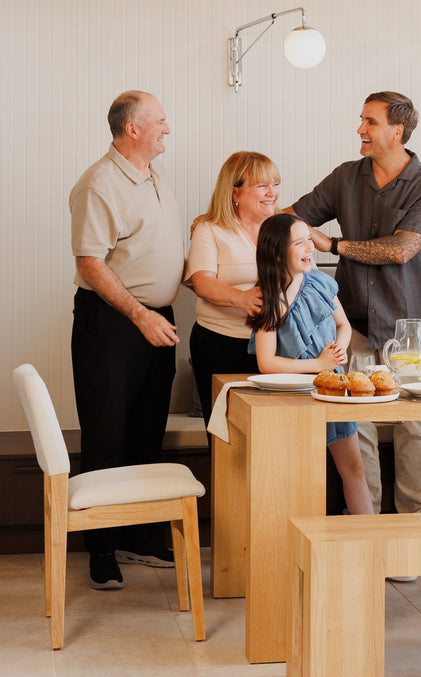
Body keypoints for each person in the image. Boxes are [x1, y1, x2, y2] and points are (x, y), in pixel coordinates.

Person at [283, 91, 421, 518]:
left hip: (408, 328)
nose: (360, 129)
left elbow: (400, 250)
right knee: (360, 429)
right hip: (350, 326)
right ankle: (368, 529)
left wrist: (332, 243)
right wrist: (225, 220)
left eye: (370, 122)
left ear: (398, 130)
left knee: (413, 427)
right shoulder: (345, 177)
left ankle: (412, 531)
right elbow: (289, 218)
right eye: (362, 120)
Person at [69, 91, 184, 589]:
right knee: (107, 433)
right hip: (116, 321)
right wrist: (140, 315)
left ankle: (136, 536)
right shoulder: (99, 183)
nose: (168, 129)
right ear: (132, 129)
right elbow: (90, 263)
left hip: (156, 320)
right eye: (160, 121)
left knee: (145, 432)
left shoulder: (151, 175)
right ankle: (101, 549)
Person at [247, 213, 373, 515]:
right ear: (277, 252)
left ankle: (370, 544)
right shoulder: (270, 299)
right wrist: (318, 364)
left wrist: (338, 353)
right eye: (299, 243)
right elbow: (266, 362)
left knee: (354, 468)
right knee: (300, 473)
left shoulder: (319, 282)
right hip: (296, 398)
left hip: (334, 390)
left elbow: (343, 326)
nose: (309, 248)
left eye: (309, 240)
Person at [184, 152, 278, 424]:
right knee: (224, 432)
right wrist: (242, 299)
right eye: (262, 185)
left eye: (275, 183)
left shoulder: (283, 228)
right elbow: (202, 282)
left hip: (275, 349)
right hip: (220, 344)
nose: (272, 192)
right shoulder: (210, 229)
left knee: (271, 433)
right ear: (235, 192)